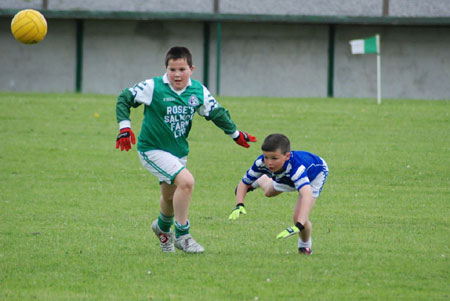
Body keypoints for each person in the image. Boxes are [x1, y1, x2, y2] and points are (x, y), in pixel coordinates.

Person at [115, 46, 256, 253]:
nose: (177, 74)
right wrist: (125, 128)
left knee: (170, 196)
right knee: (187, 182)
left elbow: (216, 112)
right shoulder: (153, 86)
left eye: (182, 69)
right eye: (172, 70)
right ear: (166, 69)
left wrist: (235, 134)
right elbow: (124, 97)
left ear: (191, 69)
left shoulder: (197, 91)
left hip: (178, 151)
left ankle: (162, 229)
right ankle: (183, 235)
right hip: (152, 149)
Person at [229, 133, 328, 255]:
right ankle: (261, 180)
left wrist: (299, 224)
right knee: (268, 192)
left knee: (299, 216)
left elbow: (306, 195)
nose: (269, 162)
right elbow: (243, 184)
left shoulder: (297, 168)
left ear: (286, 156)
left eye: (274, 158)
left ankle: (304, 246)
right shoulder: (261, 163)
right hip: (285, 174)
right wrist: (239, 204)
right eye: (266, 157)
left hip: (314, 176)